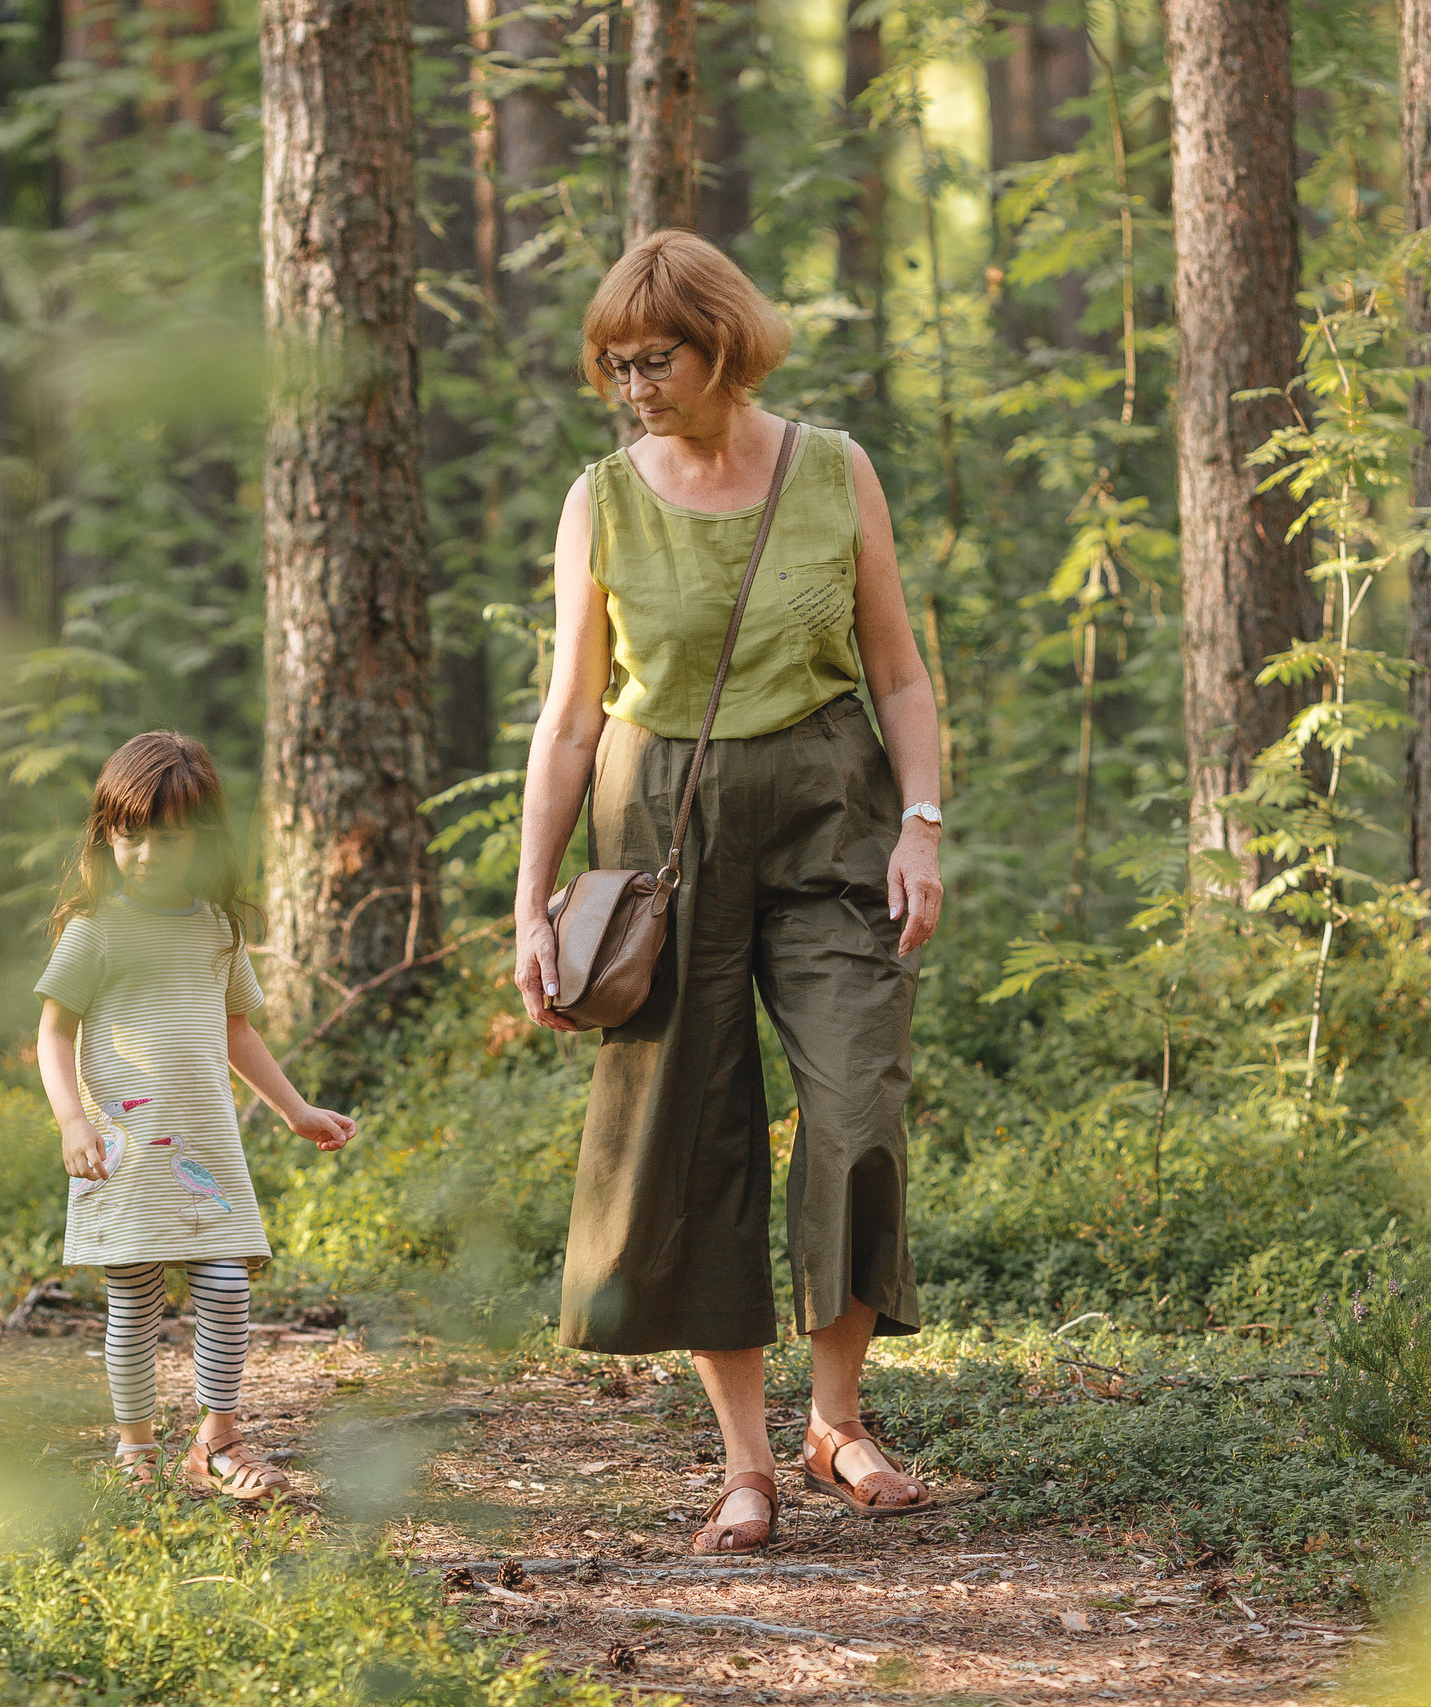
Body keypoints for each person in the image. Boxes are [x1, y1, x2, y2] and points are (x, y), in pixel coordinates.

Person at [511, 230, 948, 1555]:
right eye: (615, 364)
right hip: (662, 819)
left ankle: (837, 1420)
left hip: (830, 807)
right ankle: (746, 1461)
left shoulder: (832, 468)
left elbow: (899, 673)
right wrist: (532, 902)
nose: (633, 385)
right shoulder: (601, 498)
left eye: (657, 360)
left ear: (724, 347)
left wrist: (921, 824)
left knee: (857, 1103)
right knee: (688, 1132)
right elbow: (570, 715)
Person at [36, 731, 357, 1493]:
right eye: (132, 837)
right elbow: (53, 1032)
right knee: (135, 1301)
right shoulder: (95, 929)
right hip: (125, 1151)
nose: (148, 855)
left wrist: (294, 1109)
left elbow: (236, 1029)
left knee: (227, 1286)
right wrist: (72, 1121)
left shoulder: (217, 928)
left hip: (203, 1150)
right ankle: (136, 1451)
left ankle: (217, 1440)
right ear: (107, 835)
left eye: (171, 839)